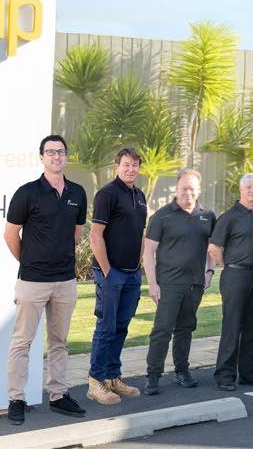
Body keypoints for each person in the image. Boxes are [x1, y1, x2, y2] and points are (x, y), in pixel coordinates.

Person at [2, 135, 89, 425]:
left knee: (59, 341)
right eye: (50, 152)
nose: (56, 156)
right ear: (41, 157)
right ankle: (16, 399)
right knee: (22, 342)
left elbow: (76, 233)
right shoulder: (27, 193)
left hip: (65, 280)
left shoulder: (77, 192)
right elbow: (10, 234)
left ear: (66, 156)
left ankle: (58, 395)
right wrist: (29, 261)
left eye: (60, 151)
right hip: (33, 281)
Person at [142, 169, 217, 395]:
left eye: (192, 189)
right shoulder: (162, 216)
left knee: (185, 329)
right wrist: (152, 284)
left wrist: (210, 271)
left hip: (195, 284)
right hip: (168, 284)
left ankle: (182, 371)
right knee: (162, 330)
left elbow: (212, 247)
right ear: (176, 189)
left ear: (199, 190)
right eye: (184, 189)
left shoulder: (207, 215)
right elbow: (148, 252)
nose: (188, 193)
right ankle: (153, 375)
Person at [87, 148, 149, 405]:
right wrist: (107, 271)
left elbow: (140, 234)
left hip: (132, 274)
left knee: (121, 327)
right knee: (106, 327)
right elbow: (95, 235)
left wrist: (139, 265)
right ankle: (96, 381)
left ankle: (113, 377)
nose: (130, 169)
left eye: (135, 165)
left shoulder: (140, 196)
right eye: (126, 164)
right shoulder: (107, 194)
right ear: (117, 166)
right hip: (111, 274)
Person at [210, 173, 253, 392]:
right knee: (232, 326)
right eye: (249, 187)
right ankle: (225, 375)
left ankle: (248, 373)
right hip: (235, 275)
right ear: (241, 189)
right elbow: (214, 248)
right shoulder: (229, 216)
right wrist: (228, 265)